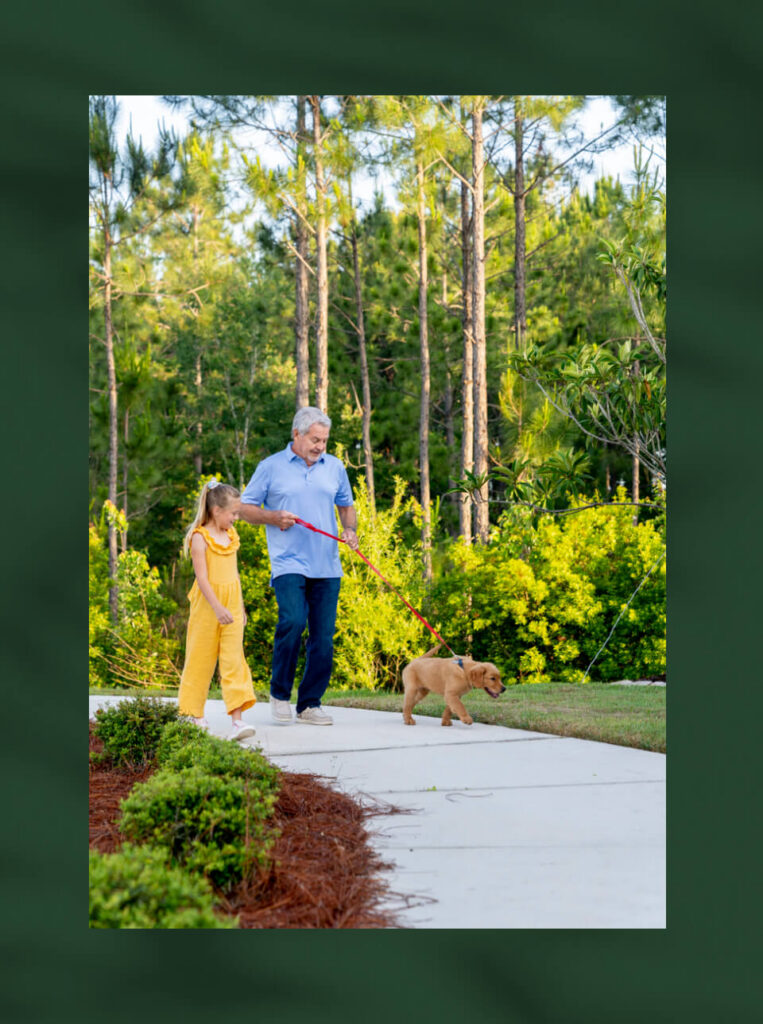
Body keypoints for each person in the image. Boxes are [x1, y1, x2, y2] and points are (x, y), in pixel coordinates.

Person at [238, 407, 359, 726]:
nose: (321, 446)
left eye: (324, 440)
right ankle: (279, 694)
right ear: (297, 435)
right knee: (292, 620)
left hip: (327, 566)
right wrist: (271, 517)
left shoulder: (334, 467)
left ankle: (309, 704)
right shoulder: (271, 467)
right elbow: (244, 508)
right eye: (315, 439)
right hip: (288, 563)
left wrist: (350, 531)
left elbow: (346, 506)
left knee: (323, 637)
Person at [177, 479, 257, 742]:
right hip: (208, 605)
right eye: (233, 513)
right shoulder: (200, 538)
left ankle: (237, 721)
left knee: (234, 659)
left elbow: (234, 574)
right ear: (216, 511)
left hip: (231, 604)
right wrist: (218, 607)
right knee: (200, 658)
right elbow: (202, 579)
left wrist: (240, 607)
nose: (236, 518)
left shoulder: (231, 537)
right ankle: (193, 714)